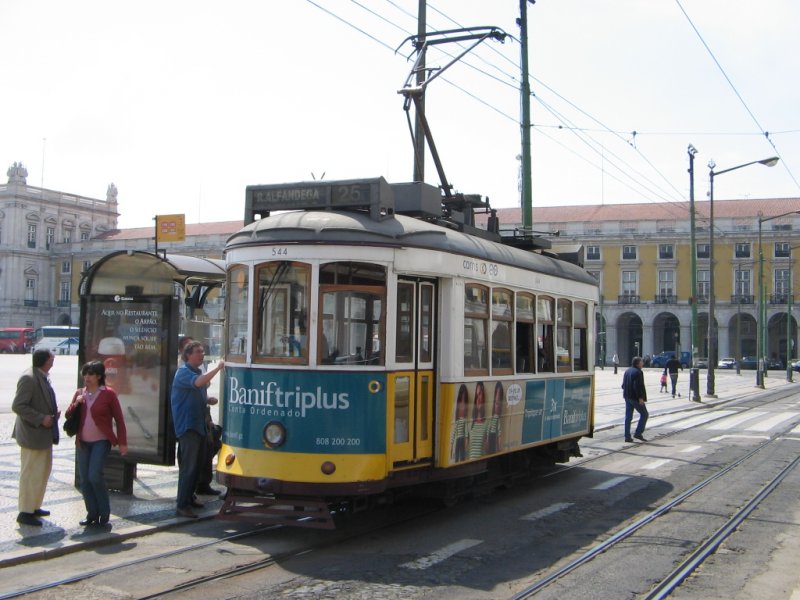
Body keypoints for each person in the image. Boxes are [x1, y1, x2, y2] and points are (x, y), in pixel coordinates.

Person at [65, 361, 128, 527]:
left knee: (94, 475)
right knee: (85, 480)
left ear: (99, 376)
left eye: (91, 374)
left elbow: (119, 419)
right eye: (85, 374)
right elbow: (68, 414)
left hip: (101, 441)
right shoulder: (80, 393)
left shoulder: (108, 394)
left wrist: (122, 442)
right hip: (82, 442)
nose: (87, 377)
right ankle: (92, 513)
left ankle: (104, 511)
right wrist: (76, 403)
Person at [171, 340, 224, 518]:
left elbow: (195, 391)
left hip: (199, 426)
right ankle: (182, 504)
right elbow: (198, 383)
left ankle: (190, 496)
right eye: (198, 352)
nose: (202, 354)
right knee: (189, 467)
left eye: (203, 351)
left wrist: (207, 400)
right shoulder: (184, 372)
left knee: (198, 465)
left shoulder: (196, 371)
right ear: (188, 355)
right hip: (188, 427)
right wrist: (218, 368)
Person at [12, 349, 60, 527]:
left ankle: (34, 506)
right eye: (52, 358)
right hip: (33, 435)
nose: (54, 360)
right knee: (31, 473)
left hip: (43, 434)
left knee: (42, 472)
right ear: (46, 360)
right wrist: (42, 418)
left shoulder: (41, 375)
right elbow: (18, 405)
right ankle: (25, 511)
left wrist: (52, 415)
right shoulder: (29, 378)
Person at [622, 356, 648, 443]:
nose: (643, 363)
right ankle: (638, 433)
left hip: (627, 397)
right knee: (644, 414)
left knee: (628, 417)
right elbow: (638, 386)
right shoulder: (638, 372)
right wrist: (640, 398)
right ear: (638, 363)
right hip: (635, 398)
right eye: (641, 362)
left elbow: (623, 385)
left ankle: (627, 436)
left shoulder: (627, 371)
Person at [468, 382, 488, 459]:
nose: (478, 399)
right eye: (476, 396)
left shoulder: (487, 423)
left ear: (483, 396)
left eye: (480, 394)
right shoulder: (470, 424)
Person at [450, 384, 469, 462]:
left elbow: (466, 433)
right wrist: (451, 446)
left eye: (464, 404)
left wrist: (466, 442)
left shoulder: (465, 421)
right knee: (457, 456)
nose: (462, 407)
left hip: (462, 440)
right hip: (458, 440)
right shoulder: (457, 422)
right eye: (461, 403)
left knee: (462, 457)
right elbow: (453, 434)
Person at [486, 381, 504, 454]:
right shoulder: (492, 418)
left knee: (493, 450)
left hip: (494, 435)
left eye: (499, 404)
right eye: (496, 403)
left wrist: (499, 446)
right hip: (491, 434)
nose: (497, 406)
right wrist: (487, 438)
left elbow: (499, 432)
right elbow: (488, 428)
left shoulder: (497, 419)